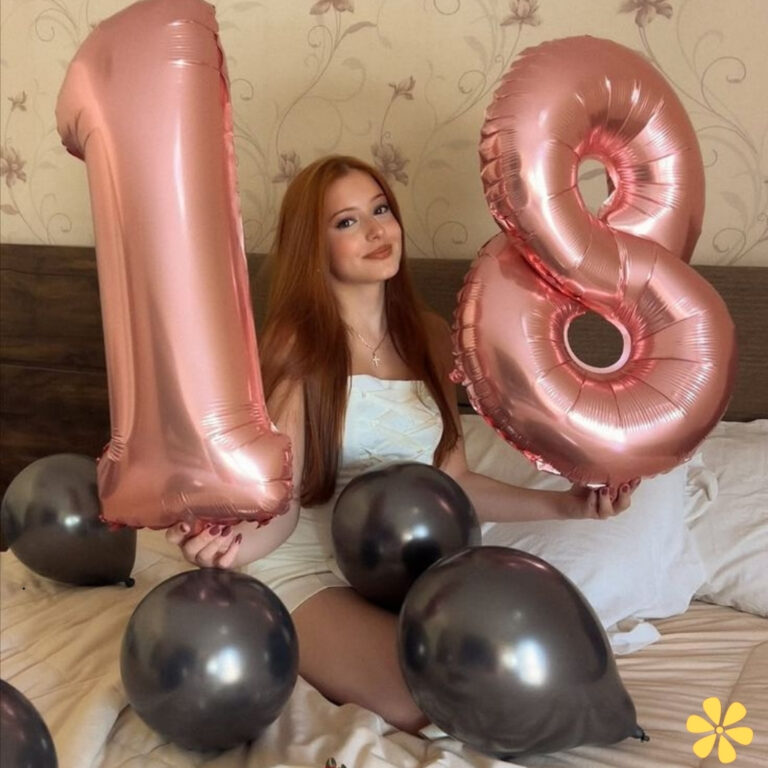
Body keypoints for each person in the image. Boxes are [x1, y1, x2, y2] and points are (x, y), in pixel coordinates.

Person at [166, 155, 639, 733]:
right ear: (311, 246)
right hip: (310, 562)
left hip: (407, 566)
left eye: (380, 209)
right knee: (416, 702)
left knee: (488, 671)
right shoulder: (297, 346)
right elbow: (285, 502)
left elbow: (455, 481)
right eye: (345, 222)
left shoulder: (434, 336)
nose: (374, 231)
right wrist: (235, 551)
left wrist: (566, 504)